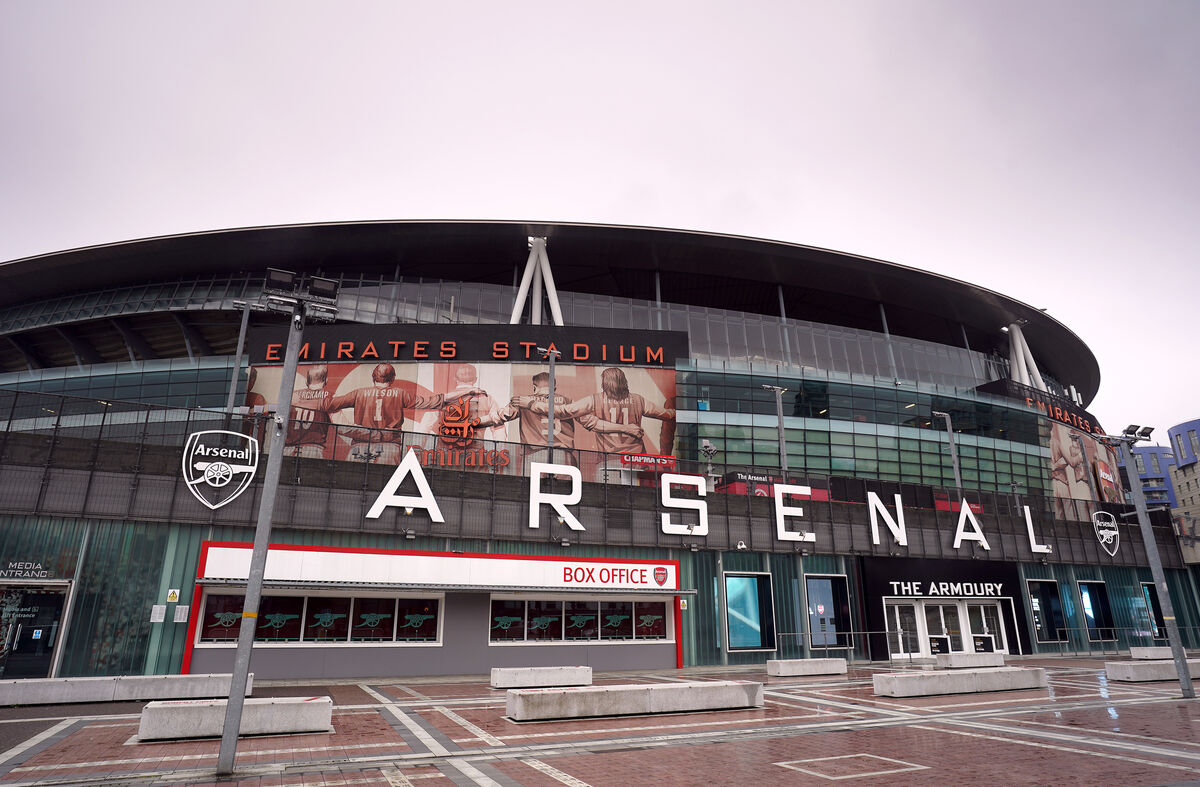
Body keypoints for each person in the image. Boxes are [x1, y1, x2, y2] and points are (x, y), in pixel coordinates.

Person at [330, 363, 481, 463]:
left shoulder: (358, 393)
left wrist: (351, 428)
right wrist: (467, 392)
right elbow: (434, 401)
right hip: (389, 447)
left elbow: (330, 405)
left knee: (349, 488)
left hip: (359, 446)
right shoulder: (400, 394)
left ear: (373, 378)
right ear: (393, 379)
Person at [525, 367, 675, 455]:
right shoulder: (639, 400)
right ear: (624, 382)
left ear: (604, 383)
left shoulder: (594, 400)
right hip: (636, 458)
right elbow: (668, 415)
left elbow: (563, 411)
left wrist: (532, 403)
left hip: (607, 459)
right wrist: (686, 413)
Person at [285, 365, 335, 458]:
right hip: (312, 448)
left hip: (288, 448)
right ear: (326, 381)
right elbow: (339, 426)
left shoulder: (293, 396)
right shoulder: (328, 397)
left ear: (306, 381)